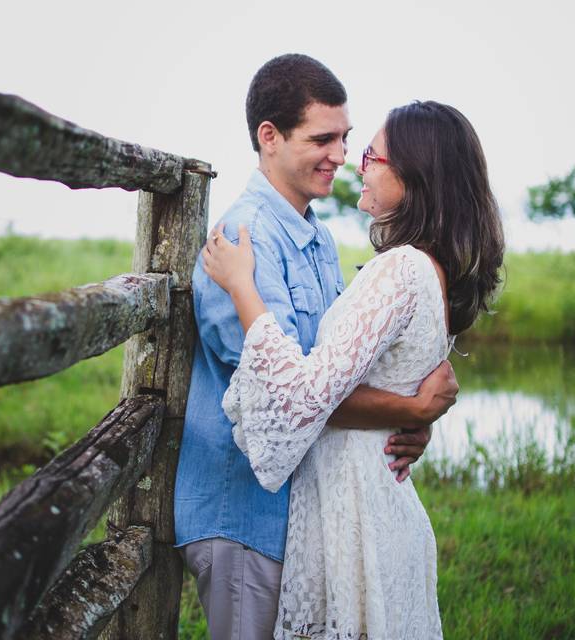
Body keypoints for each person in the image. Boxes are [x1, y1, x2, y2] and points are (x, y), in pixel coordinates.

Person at [173, 54, 460, 640]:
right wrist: (413, 408)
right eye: (322, 138)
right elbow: (288, 393)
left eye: (347, 138)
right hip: (245, 513)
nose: (341, 156)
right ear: (270, 138)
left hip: (303, 513)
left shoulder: (318, 238)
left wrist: (413, 404)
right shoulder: (241, 240)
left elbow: (347, 373)